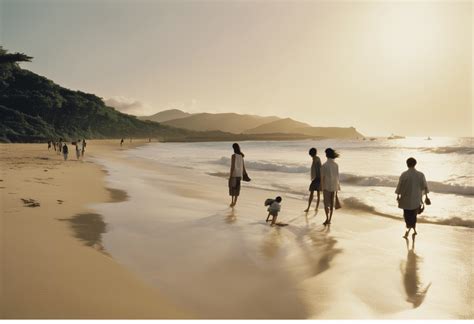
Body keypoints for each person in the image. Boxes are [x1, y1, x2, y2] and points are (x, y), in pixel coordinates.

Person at [396, 157, 430, 238]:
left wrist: (398, 195)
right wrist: (426, 196)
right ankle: (413, 228)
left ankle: (409, 228)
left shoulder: (404, 174)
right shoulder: (420, 174)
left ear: (407, 164)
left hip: (405, 198)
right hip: (416, 199)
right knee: (413, 215)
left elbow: (399, 186)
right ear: (415, 164)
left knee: (407, 215)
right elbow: (424, 186)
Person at [320, 148, 340, 225]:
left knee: (326, 204)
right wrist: (338, 187)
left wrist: (321, 187)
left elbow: (322, 178)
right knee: (332, 204)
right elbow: (337, 177)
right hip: (334, 186)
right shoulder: (336, 165)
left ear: (326, 155)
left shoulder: (324, 165)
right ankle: (329, 220)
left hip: (326, 186)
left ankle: (327, 218)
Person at [228, 143, 247, 207]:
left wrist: (230, 175)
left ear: (233, 148)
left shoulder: (233, 156)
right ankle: (235, 202)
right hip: (239, 175)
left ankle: (232, 201)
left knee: (232, 188)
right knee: (237, 189)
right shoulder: (241, 156)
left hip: (234, 174)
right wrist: (244, 174)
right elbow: (243, 167)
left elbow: (232, 166)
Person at [304, 147, 322, 212]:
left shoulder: (315, 159)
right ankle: (314, 208)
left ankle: (310, 208)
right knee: (317, 193)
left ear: (311, 154)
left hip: (317, 178)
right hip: (318, 178)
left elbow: (317, 169)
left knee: (313, 193)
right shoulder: (317, 158)